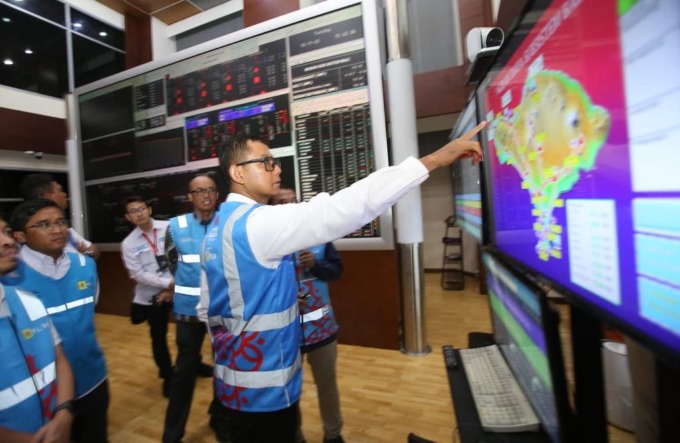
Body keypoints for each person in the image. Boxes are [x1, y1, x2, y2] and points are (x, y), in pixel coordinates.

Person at [201, 127, 484, 443]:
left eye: (276, 162)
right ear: (238, 173)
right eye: (266, 162)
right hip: (264, 391)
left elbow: (214, 305)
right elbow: (346, 206)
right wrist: (434, 160)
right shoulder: (257, 223)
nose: (277, 169)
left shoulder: (216, 229)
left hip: (232, 385)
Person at [2, 199, 109, 443]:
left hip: (93, 378)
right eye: (44, 224)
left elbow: (91, 307)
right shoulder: (9, 278)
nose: (57, 229)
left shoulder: (86, 265)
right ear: (20, 236)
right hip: (47, 393)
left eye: (61, 222)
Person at [271, 187, 345, 443]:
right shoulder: (267, 243)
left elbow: (337, 271)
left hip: (322, 330)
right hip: (285, 334)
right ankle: (295, 436)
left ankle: (333, 435)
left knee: (328, 387)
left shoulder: (319, 236)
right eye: (282, 202)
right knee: (288, 392)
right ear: (272, 207)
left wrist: (316, 264)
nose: (290, 206)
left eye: (293, 201)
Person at [163, 175, 230, 443]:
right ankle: (172, 434)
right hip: (188, 311)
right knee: (184, 372)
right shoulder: (175, 226)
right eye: (199, 191)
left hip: (222, 310)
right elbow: (172, 264)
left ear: (217, 195)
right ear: (190, 197)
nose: (206, 194)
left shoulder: (228, 222)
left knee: (223, 369)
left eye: (210, 190)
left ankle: (220, 419)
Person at [0, 213, 75, 443]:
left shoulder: (29, 301)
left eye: (6, 232)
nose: (8, 241)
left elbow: (59, 360)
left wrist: (64, 413)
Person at [120, 195, 174, 397]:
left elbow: (184, 256)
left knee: (189, 331)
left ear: (149, 209)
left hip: (180, 288)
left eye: (142, 208)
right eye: (133, 211)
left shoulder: (169, 228)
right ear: (128, 217)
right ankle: (167, 375)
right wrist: (167, 284)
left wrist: (173, 287)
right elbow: (137, 274)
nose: (139, 213)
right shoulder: (128, 243)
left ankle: (194, 364)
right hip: (152, 296)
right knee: (158, 337)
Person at [19, 174, 100, 259]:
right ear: (47, 197)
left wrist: (85, 254)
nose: (65, 194)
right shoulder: (22, 247)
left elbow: (94, 251)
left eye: (61, 223)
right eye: (60, 191)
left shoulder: (68, 232)